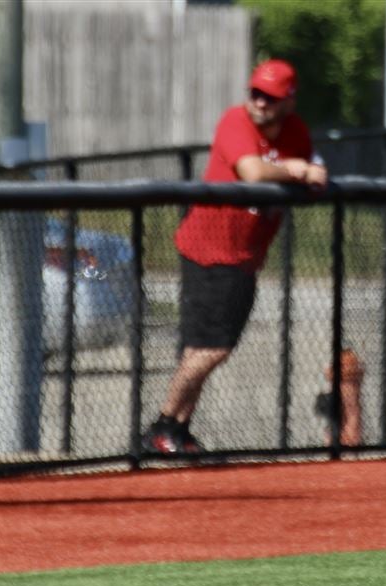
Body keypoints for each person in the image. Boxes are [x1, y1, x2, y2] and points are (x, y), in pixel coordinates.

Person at [142, 59, 328, 455]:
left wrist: (308, 170)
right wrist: (296, 170)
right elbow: (252, 172)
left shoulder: (295, 131)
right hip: (208, 249)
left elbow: (318, 172)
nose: (259, 102)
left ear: (289, 101)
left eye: (271, 97)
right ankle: (162, 425)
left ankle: (177, 428)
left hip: (244, 256)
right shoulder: (234, 121)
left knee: (206, 347)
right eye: (255, 93)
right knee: (211, 347)